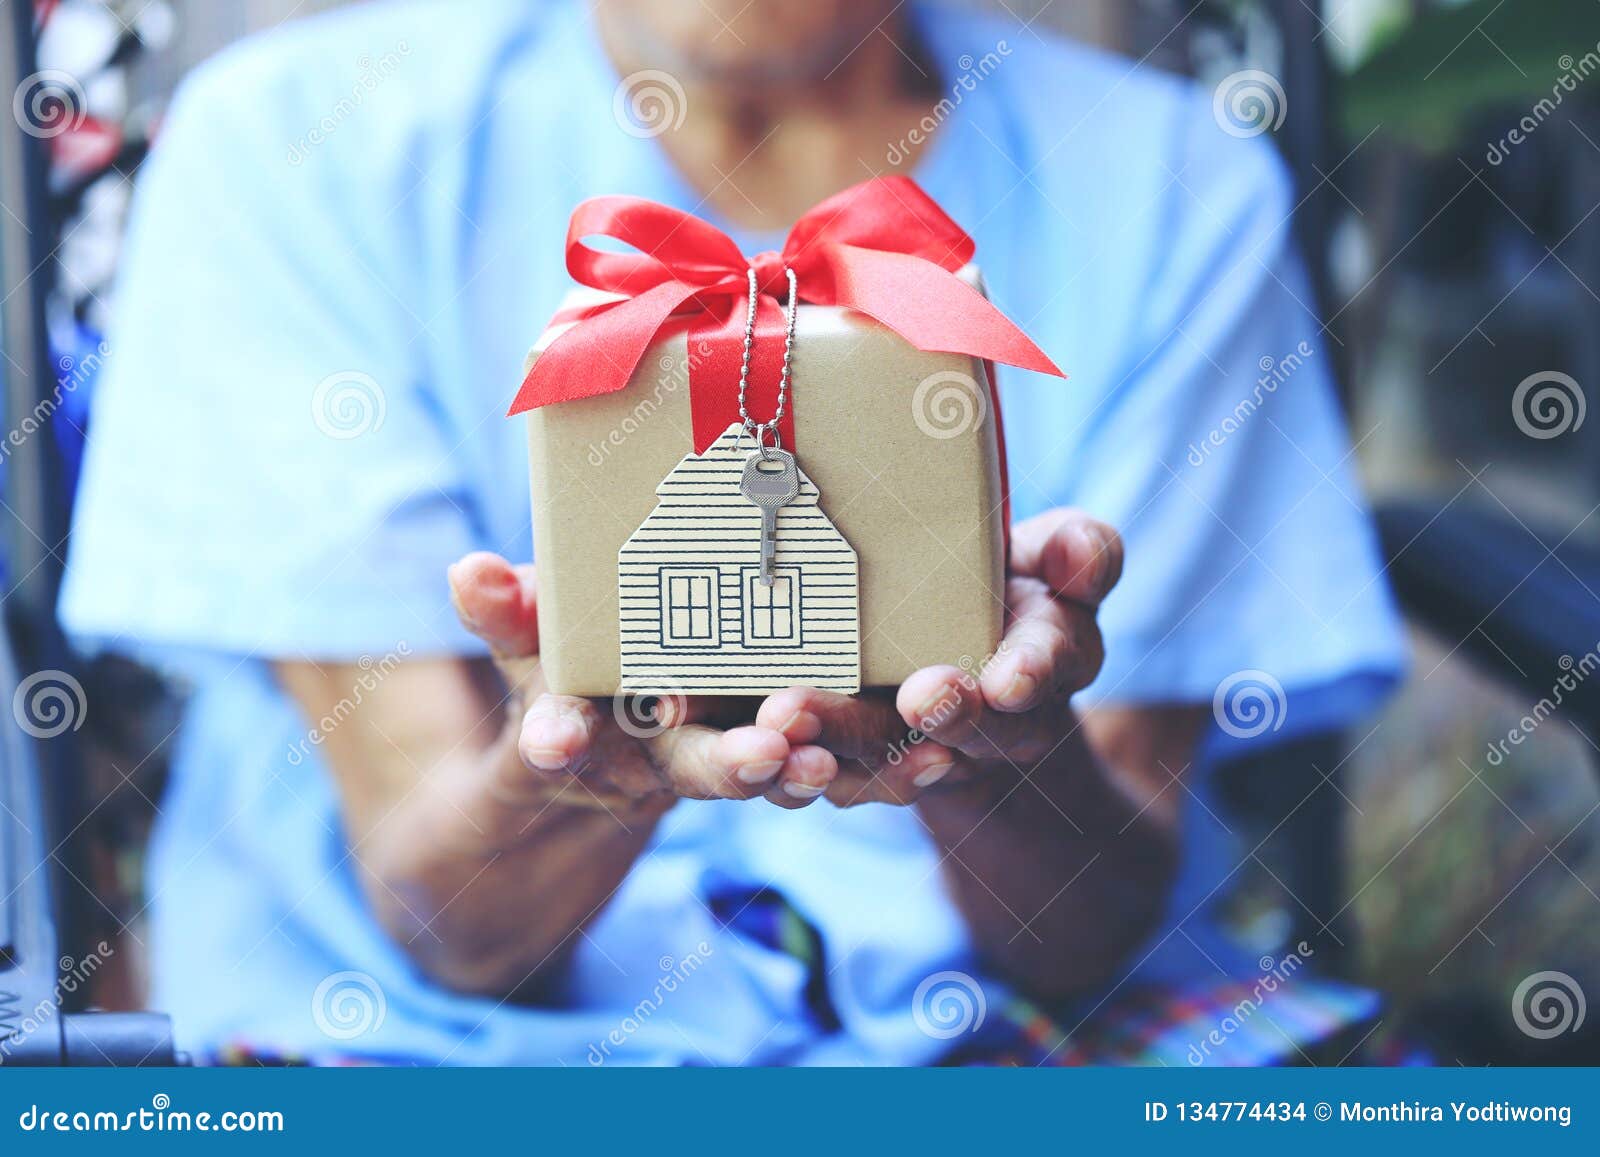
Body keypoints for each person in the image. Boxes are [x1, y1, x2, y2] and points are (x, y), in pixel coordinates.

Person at [60, 0, 1404, 1065]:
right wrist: (579, 784)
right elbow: (455, 927)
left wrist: (1004, 756)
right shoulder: (288, 149)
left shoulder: (1174, 186)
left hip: (1024, 1046)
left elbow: (1086, 934)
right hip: (431, 1054)